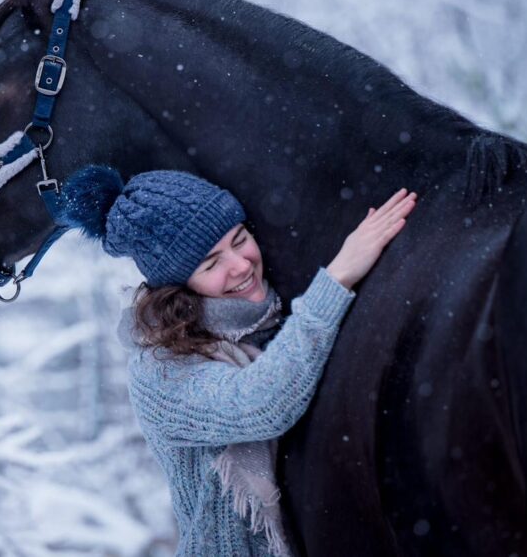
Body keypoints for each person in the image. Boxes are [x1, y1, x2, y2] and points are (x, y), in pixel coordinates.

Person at [59, 166, 417, 557]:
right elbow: (260, 402)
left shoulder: (273, 321)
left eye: (240, 239)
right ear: (179, 288)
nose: (241, 265)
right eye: (212, 264)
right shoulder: (158, 370)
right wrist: (337, 278)